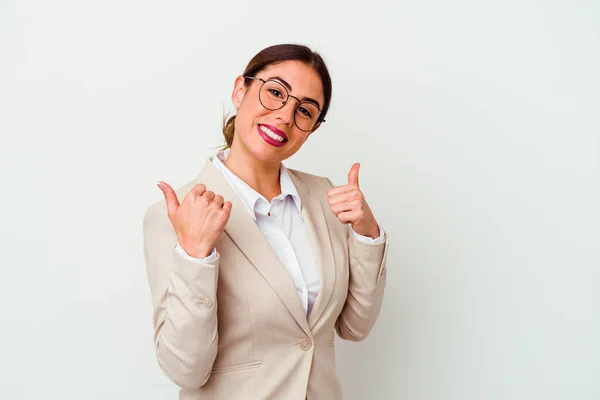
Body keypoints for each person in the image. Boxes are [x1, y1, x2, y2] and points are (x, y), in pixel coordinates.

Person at [143, 43, 389, 400]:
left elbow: (354, 326)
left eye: (305, 110)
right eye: (275, 92)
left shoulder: (325, 198)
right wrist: (196, 256)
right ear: (240, 90)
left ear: (312, 128)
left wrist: (367, 235)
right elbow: (185, 369)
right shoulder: (178, 214)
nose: (286, 116)